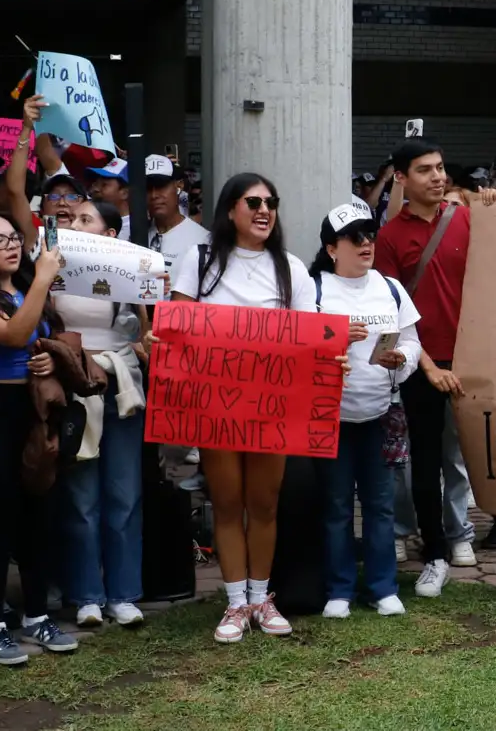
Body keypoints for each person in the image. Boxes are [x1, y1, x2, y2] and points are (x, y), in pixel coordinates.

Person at [374, 138, 496, 600]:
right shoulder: (389, 238)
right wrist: (427, 367)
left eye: (439, 168)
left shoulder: (469, 219)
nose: (437, 176)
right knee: (427, 463)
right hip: (422, 365)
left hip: (480, 361)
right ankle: (435, 556)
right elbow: (392, 314)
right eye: (424, 170)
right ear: (401, 178)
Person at [164, 172, 318, 641]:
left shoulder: (291, 267)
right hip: (216, 404)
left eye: (271, 202)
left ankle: (261, 599)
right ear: (230, 209)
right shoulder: (201, 258)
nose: (264, 210)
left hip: (273, 404)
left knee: (264, 504)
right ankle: (235, 605)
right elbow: (178, 322)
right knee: (228, 503)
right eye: (252, 202)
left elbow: (309, 338)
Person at [0, 210, 78, 663]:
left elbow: (37, 337)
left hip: (33, 408)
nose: (11, 245)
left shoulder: (26, 289)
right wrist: (43, 280)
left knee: (38, 513)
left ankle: (36, 614)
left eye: (14, 237)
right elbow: (12, 333)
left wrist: (50, 360)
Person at [311, 204, 420, 619]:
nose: (366, 244)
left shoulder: (390, 287)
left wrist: (403, 361)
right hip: (330, 417)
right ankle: (339, 589)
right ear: (331, 248)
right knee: (336, 505)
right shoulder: (314, 288)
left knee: (380, 504)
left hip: (380, 413)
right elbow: (298, 344)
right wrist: (333, 339)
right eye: (355, 238)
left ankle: (382, 586)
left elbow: (411, 340)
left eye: (369, 235)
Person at [55, 199, 153, 629]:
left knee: (124, 491)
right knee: (81, 496)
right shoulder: (55, 268)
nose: (74, 224)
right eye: (72, 218)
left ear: (110, 235)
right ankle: (86, 595)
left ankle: (123, 594)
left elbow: (144, 332)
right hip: (77, 383)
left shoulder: (131, 269)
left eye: (85, 219)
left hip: (122, 385)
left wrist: (148, 293)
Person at [143, 155, 208, 267]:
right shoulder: (134, 237)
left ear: (179, 185)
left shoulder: (202, 239)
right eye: (147, 188)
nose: (154, 195)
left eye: (161, 186)